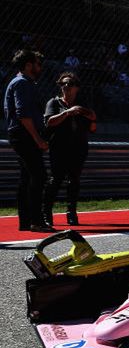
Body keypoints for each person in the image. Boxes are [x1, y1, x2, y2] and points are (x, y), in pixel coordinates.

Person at [4, 49, 54, 232]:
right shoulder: (22, 83)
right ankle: (36, 221)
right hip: (24, 134)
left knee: (27, 178)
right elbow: (23, 114)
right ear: (28, 65)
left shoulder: (23, 83)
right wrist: (38, 139)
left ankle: (26, 221)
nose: (40, 67)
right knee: (38, 175)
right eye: (37, 64)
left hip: (21, 133)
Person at [42, 72, 96, 226]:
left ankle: (71, 212)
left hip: (78, 148)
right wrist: (66, 113)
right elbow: (49, 122)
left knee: (74, 181)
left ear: (76, 88)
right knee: (56, 180)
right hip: (58, 148)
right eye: (63, 84)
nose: (66, 86)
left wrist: (90, 115)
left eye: (69, 84)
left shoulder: (82, 105)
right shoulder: (54, 103)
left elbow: (92, 126)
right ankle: (46, 212)